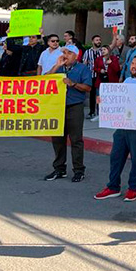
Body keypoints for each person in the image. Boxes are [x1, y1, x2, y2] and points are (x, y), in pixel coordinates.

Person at [93, 55, 136, 202]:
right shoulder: (128, 80)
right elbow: (120, 101)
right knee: (116, 157)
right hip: (123, 125)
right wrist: (103, 101)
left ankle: (133, 189)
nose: (133, 66)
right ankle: (113, 187)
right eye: (132, 63)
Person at [44, 45, 92, 182]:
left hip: (74, 106)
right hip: (58, 107)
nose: (65, 55)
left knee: (76, 139)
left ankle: (78, 170)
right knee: (58, 139)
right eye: (64, 52)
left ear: (76, 55)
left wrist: (73, 84)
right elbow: (45, 80)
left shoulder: (83, 69)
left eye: (69, 53)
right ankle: (59, 169)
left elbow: (88, 87)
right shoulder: (59, 67)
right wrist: (55, 66)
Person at [90, 45, 121, 121]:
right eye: (102, 50)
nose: (103, 51)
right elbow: (95, 68)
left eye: (105, 49)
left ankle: (112, 114)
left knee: (111, 98)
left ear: (109, 50)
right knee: (99, 97)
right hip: (101, 80)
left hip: (111, 81)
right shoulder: (98, 59)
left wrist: (111, 63)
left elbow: (117, 69)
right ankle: (99, 114)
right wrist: (100, 70)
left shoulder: (114, 58)